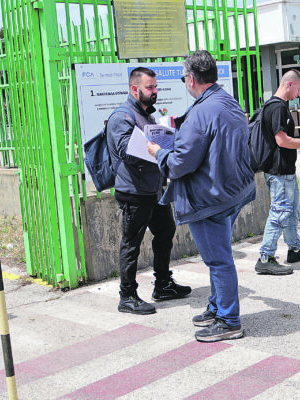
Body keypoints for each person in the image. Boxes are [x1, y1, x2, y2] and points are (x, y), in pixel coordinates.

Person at [147, 51, 256, 342]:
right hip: (232, 191)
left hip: (209, 198)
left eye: (184, 78)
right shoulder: (227, 101)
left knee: (218, 261)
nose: (185, 82)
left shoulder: (201, 112)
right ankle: (217, 307)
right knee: (218, 256)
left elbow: (181, 163)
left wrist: (159, 153)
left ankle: (229, 321)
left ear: (191, 79)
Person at [107, 67, 191, 315]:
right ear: (135, 89)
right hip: (133, 191)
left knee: (166, 230)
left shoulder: (146, 115)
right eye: (150, 87)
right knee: (131, 243)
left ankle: (163, 284)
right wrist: (156, 146)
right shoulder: (121, 117)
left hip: (153, 189)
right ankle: (127, 295)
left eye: (156, 87)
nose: (155, 91)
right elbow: (127, 152)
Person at [254, 69, 300, 276]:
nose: (299, 94)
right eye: (298, 89)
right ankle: (265, 258)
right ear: (289, 84)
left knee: (291, 212)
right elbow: (281, 140)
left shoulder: (277, 106)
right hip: (279, 172)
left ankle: (295, 249)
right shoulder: (277, 107)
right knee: (280, 213)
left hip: (284, 170)